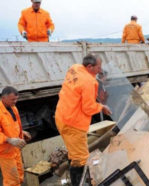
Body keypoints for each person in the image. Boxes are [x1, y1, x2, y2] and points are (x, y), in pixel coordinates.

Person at [55, 54, 112, 185]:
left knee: (74, 154)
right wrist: (102, 106)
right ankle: (78, 183)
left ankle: (74, 178)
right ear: (90, 66)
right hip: (73, 123)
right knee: (81, 159)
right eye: (98, 67)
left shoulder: (74, 68)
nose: (100, 70)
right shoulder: (89, 82)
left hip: (62, 117)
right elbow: (88, 108)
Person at [0, 86, 31, 186]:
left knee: (20, 176)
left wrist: (22, 133)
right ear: (3, 98)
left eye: (16, 99)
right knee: (12, 181)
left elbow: (14, 124)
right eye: (13, 99)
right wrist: (8, 139)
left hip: (15, 149)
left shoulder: (13, 108)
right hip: (5, 152)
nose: (15, 101)